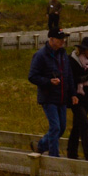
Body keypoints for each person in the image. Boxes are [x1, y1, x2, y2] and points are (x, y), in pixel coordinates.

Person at [28, 28, 79, 157]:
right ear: (51, 39)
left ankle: (40, 145)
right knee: (55, 127)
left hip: (62, 97)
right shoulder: (40, 55)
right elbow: (32, 76)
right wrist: (49, 81)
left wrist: (73, 93)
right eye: (60, 39)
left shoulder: (63, 54)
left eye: (64, 39)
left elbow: (69, 75)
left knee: (61, 128)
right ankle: (54, 157)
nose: (63, 41)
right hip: (48, 97)